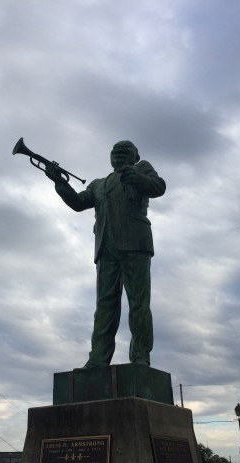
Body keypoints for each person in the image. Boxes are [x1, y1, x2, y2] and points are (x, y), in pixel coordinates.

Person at [46, 140, 166, 368]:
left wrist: (136, 178)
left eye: (125, 150)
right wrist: (59, 182)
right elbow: (78, 202)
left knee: (139, 304)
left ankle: (140, 356)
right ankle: (98, 358)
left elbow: (158, 186)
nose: (119, 152)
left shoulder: (141, 169)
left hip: (136, 243)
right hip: (106, 248)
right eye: (115, 150)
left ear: (135, 156)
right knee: (104, 307)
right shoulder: (98, 184)